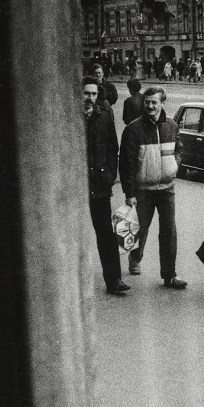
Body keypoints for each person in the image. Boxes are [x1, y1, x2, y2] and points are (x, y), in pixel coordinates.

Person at [119, 85, 187, 289]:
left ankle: (169, 275)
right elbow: (126, 163)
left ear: (162, 103)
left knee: (169, 231)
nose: (149, 105)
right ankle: (135, 257)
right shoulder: (133, 128)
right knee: (141, 228)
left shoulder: (172, 126)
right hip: (143, 190)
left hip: (166, 188)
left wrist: (174, 165)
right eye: (147, 102)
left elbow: (179, 148)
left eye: (154, 102)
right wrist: (129, 193)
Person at [82, 77, 128, 296]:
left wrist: (109, 175)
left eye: (93, 94)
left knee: (105, 234)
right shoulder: (68, 117)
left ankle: (114, 280)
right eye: (85, 93)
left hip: (99, 184)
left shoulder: (104, 115)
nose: (89, 98)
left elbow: (113, 147)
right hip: (76, 187)